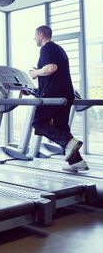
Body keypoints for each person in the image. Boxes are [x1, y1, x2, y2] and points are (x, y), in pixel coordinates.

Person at [29, 25, 88, 172]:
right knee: (61, 127)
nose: (34, 38)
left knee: (38, 123)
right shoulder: (58, 49)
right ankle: (77, 162)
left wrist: (35, 73)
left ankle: (69, 143)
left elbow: (51, 68)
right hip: (66, 93)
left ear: (41, 35)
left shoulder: (47, 48)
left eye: (35, 35)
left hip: (53, 94)